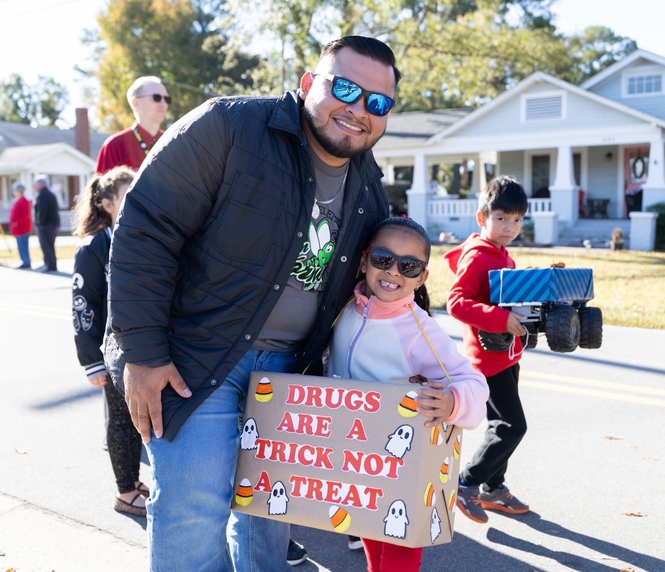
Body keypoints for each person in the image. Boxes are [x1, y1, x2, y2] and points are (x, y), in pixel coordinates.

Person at [103, 36, 400, 572]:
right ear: (310, 84)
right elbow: (144, 230)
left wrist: (424, 372)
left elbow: (384, 287)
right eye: (346, 88)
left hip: (293, 374)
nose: (359, 110)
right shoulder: (229, 128)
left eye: (377, 103)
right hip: (194, 360)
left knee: (268, 524)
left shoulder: (369, 186)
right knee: (194, 515)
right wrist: (143, 353)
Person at [327, 217, 489, 572]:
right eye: (383, 259)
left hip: (402, 464)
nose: (394, 272)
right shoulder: (343, 308)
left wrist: (453, 402)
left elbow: (475, 384)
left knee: (399, 550)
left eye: (409, 265)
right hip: (355, 458)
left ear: (422, 277)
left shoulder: (418, 330)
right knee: (371, 533)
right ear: (364, 261)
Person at [444, 175, 531, 525]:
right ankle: (466, 483)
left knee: (500, 425)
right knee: (513, 426)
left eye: (517, 220)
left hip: (508, 355)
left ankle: (494, 488)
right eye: (501, 218)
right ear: (482, 218)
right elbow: (456, 302)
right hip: (488, 359)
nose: (510, 227)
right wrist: (500, 318)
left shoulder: (501, 254)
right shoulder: (480, 257)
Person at [71, 166, 148, 516]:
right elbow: (82, 306)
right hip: (108, 351)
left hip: (137, 350)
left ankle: (133, 481)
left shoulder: (138, 237)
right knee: (120, 421)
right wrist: (91, 360)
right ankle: (124, 491)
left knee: (136, 420)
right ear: (106, 204)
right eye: (127, 196)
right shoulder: (93, 248)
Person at [95, 76, 169, 174]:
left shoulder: (173, 142)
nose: (163, 103)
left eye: (167, 99)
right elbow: (103, 189)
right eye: (157, 97)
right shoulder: (114, 146)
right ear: (136, 103)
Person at [33, 174, 60, 272]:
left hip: (47, 225)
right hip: (51, 224)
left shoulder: (44, 194)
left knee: (47, 245)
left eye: (36, 184)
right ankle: (48, 264)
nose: (34, 186)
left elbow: (42, 210)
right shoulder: (49, 193)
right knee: (48, 245)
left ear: (41, 184)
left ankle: (50, 265)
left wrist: (40, 223)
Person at [9, 182, 32, 269]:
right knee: (20, 246)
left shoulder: (24, 201)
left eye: (15, 190)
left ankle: (27, 262)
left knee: (23, 246)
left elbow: (25, 215)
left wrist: (17, 222)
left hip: (22, 228)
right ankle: (23, 261)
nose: (13, 191)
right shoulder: (17, 200)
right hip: (17, 229)